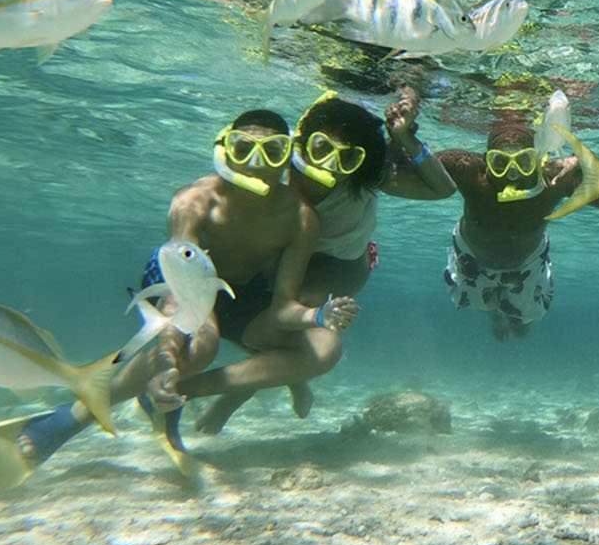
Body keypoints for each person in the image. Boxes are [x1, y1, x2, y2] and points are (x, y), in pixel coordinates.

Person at [0, 108, 325, 478]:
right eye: (243, 148)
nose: (256, 163)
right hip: (184, 285)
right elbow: (179, 294)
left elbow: (283, 300)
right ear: (224, 152)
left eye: (273, 151)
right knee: (196, 348)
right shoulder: (194, 202)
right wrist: (169, 359)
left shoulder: (300, 217)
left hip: (241, 294)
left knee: (317, 347)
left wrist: (317, 318)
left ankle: (168, 395)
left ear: (287, 158)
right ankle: (73, 417)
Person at [187, 87, 455, 434]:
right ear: (302, 143)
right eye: (320, 148)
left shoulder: (362, 176)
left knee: (279, 327)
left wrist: (405, 139)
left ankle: (227, 395)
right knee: (264, 331)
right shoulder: (276, 163)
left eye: (345, 157)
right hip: (284, 259)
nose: (329, 163)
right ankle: (293, 378)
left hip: (339, 266)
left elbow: (443, 189)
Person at [437, 117, 599, 341]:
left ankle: (504, 312)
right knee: (482, 304)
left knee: (521, 327)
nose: (512, 174)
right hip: (472, 258)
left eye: (524, 161)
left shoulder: (556, 178)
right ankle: (493, 312)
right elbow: (414, 166)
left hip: (527, 263)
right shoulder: (468, 170)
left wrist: (587, 163)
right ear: (486, 161)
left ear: (538, 159)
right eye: (500, 163)